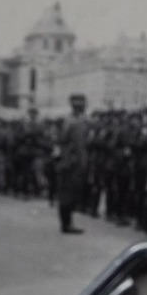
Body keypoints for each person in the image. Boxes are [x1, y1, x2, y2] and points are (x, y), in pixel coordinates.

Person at [55, 93, 90, 234]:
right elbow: (79, 147)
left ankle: (66, 223)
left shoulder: (69, 120)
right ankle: (67, 225)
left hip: (67, 161)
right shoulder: (76, 123)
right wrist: (82, 164)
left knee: (66, 193)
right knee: (68, 193)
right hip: (72, 163)